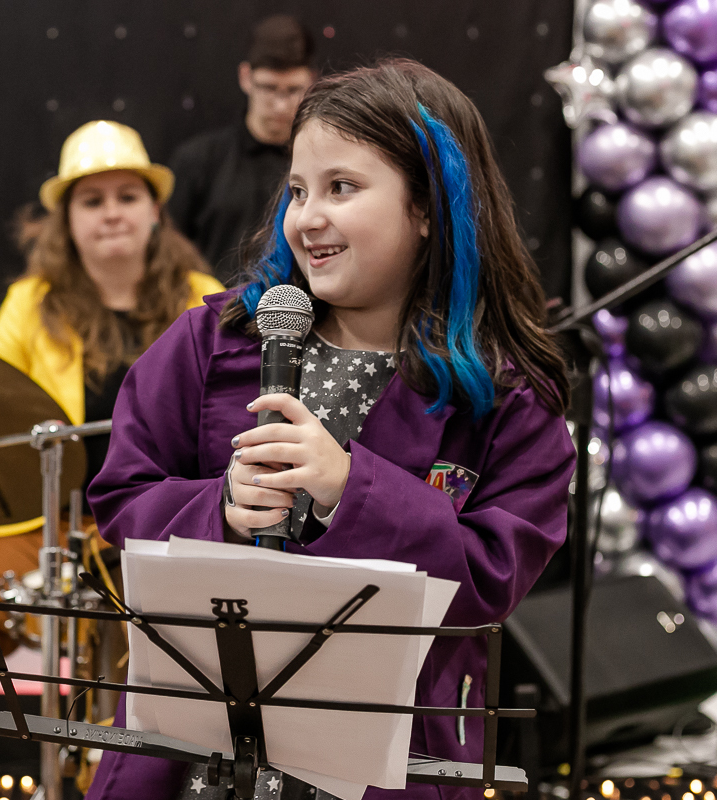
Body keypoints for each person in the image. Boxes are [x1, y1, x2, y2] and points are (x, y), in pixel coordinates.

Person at [84, 59, 575, 800]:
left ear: (428, 206)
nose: (307, 216)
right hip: (191, 760)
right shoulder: (208, 341)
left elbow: (492, 577)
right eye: (298, 190)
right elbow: (122, 493)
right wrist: (214, 508)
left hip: (387, 766)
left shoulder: (511, 399)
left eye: (342, 188)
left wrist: (354, 489)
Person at [0, 119, 225, 800]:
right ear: (66, 220)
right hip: (44, 526)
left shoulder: (204, 297)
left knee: (153, 677)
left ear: (155, 209)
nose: (111, 212)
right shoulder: (30, 305)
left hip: (163, 530)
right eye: (91, 199)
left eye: (126, 196)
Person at [168, 14, 316, 284]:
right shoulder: (198, 160)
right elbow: (168, 253)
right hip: (213, 314)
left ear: (311, 82)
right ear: (246, 77)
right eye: (269, 88)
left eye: (294, 90)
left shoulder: (320, 162)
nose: (281, 105)